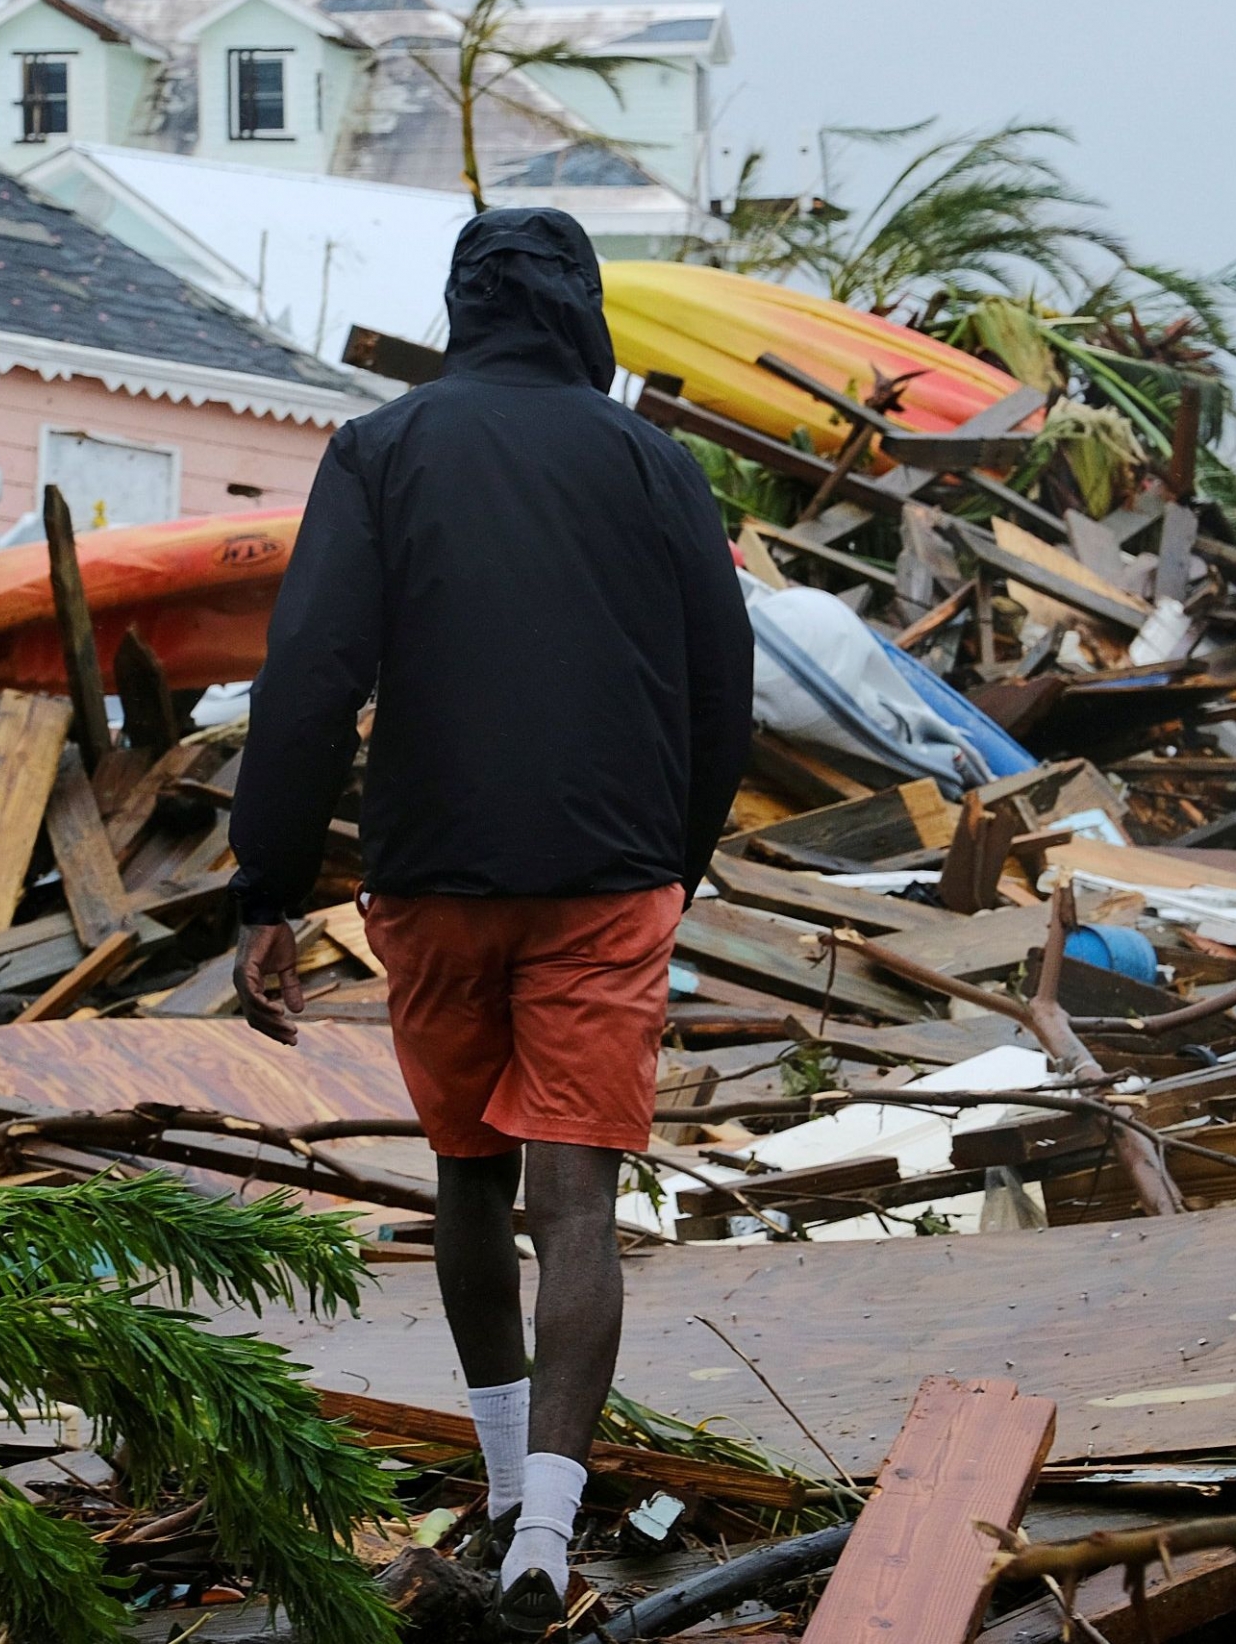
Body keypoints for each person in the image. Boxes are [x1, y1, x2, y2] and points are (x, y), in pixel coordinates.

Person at [226, 206, 755, 1633]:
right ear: (584, 306)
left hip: (436, 876)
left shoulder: (383, 450)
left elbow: (310, 670)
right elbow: (725, 686)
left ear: (462, 305)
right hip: (609, 875)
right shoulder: (657, 462)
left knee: (468, 1172)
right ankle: (548, 1538)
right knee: (575, 1201)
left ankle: (510, 1480)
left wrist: (266, 884)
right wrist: (673, 862)